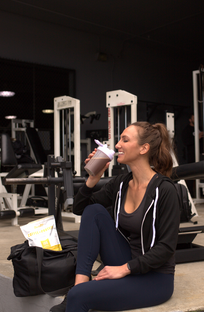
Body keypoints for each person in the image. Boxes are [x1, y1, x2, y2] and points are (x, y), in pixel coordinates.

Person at [50, 121, 180, 312]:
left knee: (76, 299)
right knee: (94, 211)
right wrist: (93, 178)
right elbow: (80, 209)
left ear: (144, 148)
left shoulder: (165, 190)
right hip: (125, 258)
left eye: (124, 140)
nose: (117, 145)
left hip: (155, 277)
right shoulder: (121, 184)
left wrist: (124, 268)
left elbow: (166, 248)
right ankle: (80, 283)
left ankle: (77, 293)